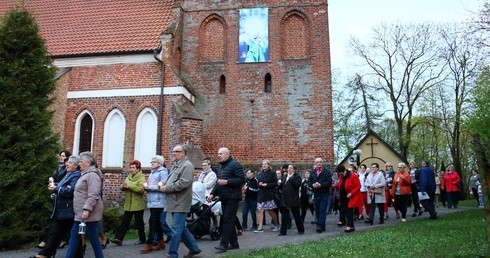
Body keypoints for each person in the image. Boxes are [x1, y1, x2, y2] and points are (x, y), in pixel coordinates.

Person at [31, 156, 81, 258]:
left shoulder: (75, 175)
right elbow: (63, 187)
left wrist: (57, 188)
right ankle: (47, 253)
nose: (67, 164)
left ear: (76, 166)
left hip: (68, 209)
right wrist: (55, 192)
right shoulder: (68, 175)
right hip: (62, 209)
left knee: (71, 234)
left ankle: (48, 253)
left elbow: (70, 191)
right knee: (56, 232)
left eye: (70, 163)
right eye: (67, 162)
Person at [160, 145, 201, 258]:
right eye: (173, 151)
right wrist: (163, 183)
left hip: (181, 202)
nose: (174, 153)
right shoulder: (176, 165)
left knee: (176, 230)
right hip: (174, 201)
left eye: (177, 151)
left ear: (183, 153)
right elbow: (171, 179)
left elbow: (184, 183)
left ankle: (172, 254)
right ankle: (194, 248)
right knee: (181, 228)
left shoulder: (187, 166)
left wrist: (166, 188)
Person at [65, 151, 104, 258]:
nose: (79, 164)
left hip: (87, 214)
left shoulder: (92, 175)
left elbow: (94, 194)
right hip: (80, 214)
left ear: (88, 163)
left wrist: (87, 209)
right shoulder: (84, 175)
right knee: (75, 237)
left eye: (81, 162)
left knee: (92, 239)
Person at [207, 147, 245, 253]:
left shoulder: (235, 165)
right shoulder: (220, 166)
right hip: (224, 197)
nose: (218, 155)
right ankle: (234, 243)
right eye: (218, 153)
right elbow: (218, 182)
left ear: (227, 155)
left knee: (227, 220)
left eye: (221, 154)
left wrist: (227, 182)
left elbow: (241, 180)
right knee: (229, 220)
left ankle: (223, 244)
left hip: (233, 197)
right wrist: (213, 194)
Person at [37, 150, 72, 250]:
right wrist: (52, 181)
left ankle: (49, 242)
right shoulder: (59, 167)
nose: (61, 157)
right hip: (57, 193)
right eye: (60, 156)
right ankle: (60, 240)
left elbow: (64, 183)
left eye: (63, 156)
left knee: (58, 220)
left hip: (62, 196)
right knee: (58, 220)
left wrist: (55, 186)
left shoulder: (67, 170)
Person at [111, 160, 146, 246]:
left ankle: (142, 239)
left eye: (133, 168)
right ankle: (118, 239)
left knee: (139, 224)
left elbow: (141, 190)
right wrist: (123, 186)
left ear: (138, 169)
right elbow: (122, 187)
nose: (131, 169)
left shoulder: (142, 178)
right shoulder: (129, 176)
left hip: (137, 205)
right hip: (128, 205)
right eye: (130, 167)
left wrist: (129, 185)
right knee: (124, 223)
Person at [140, 155, 169, 254]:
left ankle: (150, 243)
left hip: (159, 201)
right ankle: (161, 242)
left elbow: (162, 186)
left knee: (152, 220)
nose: (152, 163)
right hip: (152, 201)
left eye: (154, 162)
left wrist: (148, 187)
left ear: (159, 163)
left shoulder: (163, 172)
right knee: (156, 222)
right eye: (151, 162)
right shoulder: (152, 173)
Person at [278, 165, 305, 236]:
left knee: (296, 215)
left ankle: (301, 229)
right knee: (284, 216)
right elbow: (281, 187)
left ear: (294, 170)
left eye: (291, 168)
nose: (289, 169)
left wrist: (291, 178)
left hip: (293, 199)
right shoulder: (284, 177)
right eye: (288, 168)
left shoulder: (297, 177)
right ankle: (283, 231)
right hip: (285, 199)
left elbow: (297, 184)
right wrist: (279, 184)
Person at [308, 158, 333, 233]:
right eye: (317, 162)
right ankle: (322, 225)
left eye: (320, 162)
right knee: (318, 210)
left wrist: (321, 185)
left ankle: (320, 225)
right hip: (316, 193)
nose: (319, 163)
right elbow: (309, 181)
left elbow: (329, 182)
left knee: (323, 210)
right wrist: (312, 184)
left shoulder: (327, 172)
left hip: (324, 193)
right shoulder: (312, 172)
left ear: (322, 163)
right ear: (315, 163)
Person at [254, 160, 280, 233]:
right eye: (263, 164)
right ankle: (260, 227)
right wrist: (259, 183)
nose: (264, 165)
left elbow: (275, 183)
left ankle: (276, 224)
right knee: (260, 210)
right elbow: (257, 183)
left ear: (268, 165)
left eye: (265, 164)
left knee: (270, 211)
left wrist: (267, 185)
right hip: (261, 194)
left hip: (269, 194)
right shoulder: (260, 174)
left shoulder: (272, 173)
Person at [335, 165, 362, 233]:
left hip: (351, 196)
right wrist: (334, 186)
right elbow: (341, 184)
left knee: (349, 210)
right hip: (344, 196)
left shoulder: (353, 176)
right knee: (345, 210)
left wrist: (351, 193)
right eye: (339, 174)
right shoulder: (341, 176)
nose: (340, 175)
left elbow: (358, 186)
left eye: (341, 173)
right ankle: (352, 226)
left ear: (344, 170)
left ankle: (349, 226)